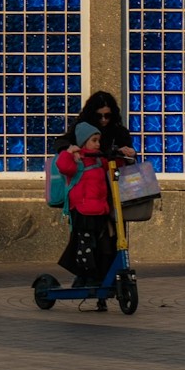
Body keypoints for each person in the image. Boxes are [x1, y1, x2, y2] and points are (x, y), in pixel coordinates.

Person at [56, 121, 126, 308]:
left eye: (98, 140)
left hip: (100, 211)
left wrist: (123, 154)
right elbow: (63, 166)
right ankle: (86, 276)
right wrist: (68, 152)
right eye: (94, 140)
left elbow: (115, 167)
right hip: (82, 211)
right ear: (83, 141)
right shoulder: (77, 161)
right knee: (85, 247)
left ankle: (95, 279)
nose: (97, 144)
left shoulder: (98, 160)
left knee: (102, 246)